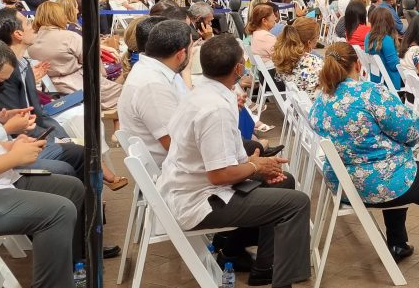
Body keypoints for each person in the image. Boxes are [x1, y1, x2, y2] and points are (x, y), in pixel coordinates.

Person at [309, 42, 419, 280]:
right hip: (378, 184)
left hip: (343, 185)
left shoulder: (321, 98)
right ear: (358, 65)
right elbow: (411, 131)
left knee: (396, 167)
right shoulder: (369, 93)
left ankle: (398, 243)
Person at [159, 35, 312, 287]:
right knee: (296, 204)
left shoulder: (203, 93)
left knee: (285, 183)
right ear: (238, 69)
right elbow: (218, 175)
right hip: (201, 200)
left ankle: (262, 265)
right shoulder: (214, 108)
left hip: (192, 186)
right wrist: (254, 166)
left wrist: (253, 166)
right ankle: (284, 279)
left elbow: (221, 151)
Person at [0, 35, 89, 287]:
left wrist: (14, 145)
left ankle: (71, 268)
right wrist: (14, 156)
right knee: (59, 211)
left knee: (71, 188)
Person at [0, 9, 89, 179]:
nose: (34, 27)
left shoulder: (21, 64)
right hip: (10, 147)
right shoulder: (3, 73)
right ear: (18, 34)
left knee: (79, 147)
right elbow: (15, 126)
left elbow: (33, 113)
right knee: (71, 161)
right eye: (28, 23)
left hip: (14, 141)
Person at [118, 18, 193, 166]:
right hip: (175, 170)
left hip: (178, 162)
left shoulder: (157, 72)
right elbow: (176, 145)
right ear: (181, 54)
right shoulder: (152, 84)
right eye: (192, 47)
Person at [28, 2, 123, 109]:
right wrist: (102, 75)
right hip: (78, 86)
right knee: (124, 93)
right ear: (59, 16)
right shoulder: (69, 37)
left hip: (49, 88)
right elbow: (92, 60)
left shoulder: (31, 40)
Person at [274, 17, 323, 97]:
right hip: (312, 105)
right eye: (317, 38)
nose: (317, 41)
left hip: (297, 102)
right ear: (309, 42)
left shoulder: (283, 56)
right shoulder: (315, 62)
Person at [364, 7, 403, 89]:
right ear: (390, 22)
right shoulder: (386, 40)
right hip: (390, 82)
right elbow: (394, 65)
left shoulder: (368, 37)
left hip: (376, 79)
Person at [247, 3, 280, 67]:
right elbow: (281, 56)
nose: (275, 19)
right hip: (273, 72)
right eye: (273, 16)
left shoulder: (256, 34)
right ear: (264, 21)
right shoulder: (266, 37)